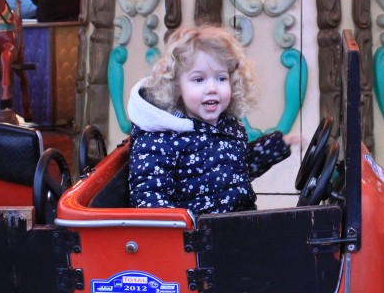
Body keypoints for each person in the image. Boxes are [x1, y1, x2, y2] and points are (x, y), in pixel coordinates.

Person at [127, 25, 297, 215]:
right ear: (176, 86)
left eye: (221, 78)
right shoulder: (160, 137)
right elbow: (149, 197)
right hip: (201, 236)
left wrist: (275, 146)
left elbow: (235, 170)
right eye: (199, 79)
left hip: (238, 222)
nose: (212, 88)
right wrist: (187, 227)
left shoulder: (227, 124)